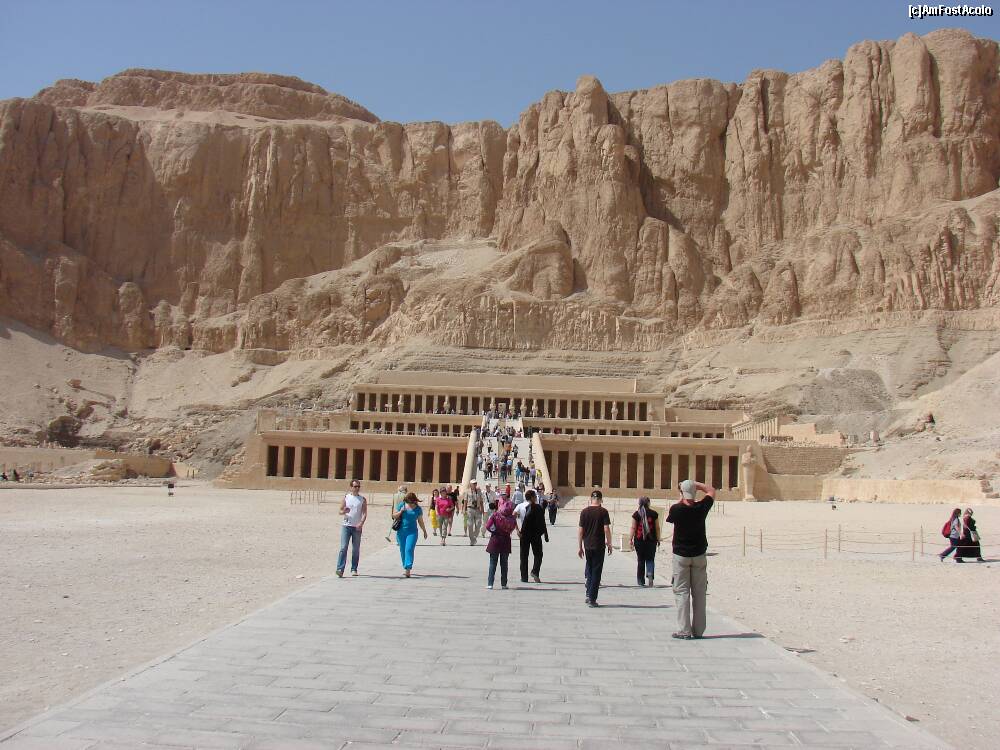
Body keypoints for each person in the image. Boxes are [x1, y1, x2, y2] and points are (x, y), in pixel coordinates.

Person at [667, 479, 716, 639]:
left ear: (682, 493)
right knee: (699, 593)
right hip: (699, 555)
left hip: (681, 556)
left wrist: (683, 493)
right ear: (695, 492)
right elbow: (711, 491)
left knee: (681, 592)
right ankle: (699, 630)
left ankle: (685, 630)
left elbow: (672, 515)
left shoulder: (676, 509)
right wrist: (696, 484)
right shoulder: (702, 507)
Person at [578, 490, 612, 607]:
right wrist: (609, 543)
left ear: (590, 499)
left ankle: (588, 593)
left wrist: (580, 547)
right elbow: (606, 529)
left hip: (587, 545)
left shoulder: (584, 512)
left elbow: (580, 531)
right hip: (599, 545)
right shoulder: (603, 511)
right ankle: (592, 598)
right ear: (601, 500)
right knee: (596, 571)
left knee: (590, 568)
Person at [335, 479, 368, 577]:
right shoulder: (346, 497)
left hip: (357, 527)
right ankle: (340, 569)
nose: (357, 488)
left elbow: (364, 513)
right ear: (351, 487)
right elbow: (340, 511)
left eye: (358, 486)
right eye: (355, 486)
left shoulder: (362, 499)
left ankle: (354, 569)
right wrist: (344, 511)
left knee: (355, 549)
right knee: (343, 547)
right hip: (346, 525)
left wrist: (361, 523)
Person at [392, 492, 428, 577]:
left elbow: (420, 521)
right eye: (408, 502)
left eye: (411, 502)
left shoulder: (418, 509)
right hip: (401, 532)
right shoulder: (402, 505)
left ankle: (408, 568)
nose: (410, 503)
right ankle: (405, 565)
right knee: (402, 549)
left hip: (412, 532)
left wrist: (424, 531)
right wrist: (401, 511)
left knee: (409, 549)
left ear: (414, 500)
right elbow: (394, 516)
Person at [485, 499, 517, 589]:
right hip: (506, 541)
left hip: (495, 540)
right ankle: (504, 584)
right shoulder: (512, 518)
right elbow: (512, 528)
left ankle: (490, 584)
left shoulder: (495, 515)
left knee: (492, 563)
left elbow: (488, 526)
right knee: (504, 563)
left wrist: (494, 531)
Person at [518, 490, 549, 583]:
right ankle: (535, 571)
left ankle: (524, 577)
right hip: (535, 534)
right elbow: (542, 521)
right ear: (531, 497)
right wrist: (545, 534)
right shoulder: (536, 507)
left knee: (524, 555)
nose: (536, 497)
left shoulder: (521, 506)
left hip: (525, 534)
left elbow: (520, 519)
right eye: (535, 496)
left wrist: (520, 532)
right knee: (538, 554)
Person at [630, 496, 660, 586]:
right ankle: (650, 574)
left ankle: (640, 580)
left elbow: (633, 527)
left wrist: (630, 539)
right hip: (651, 540)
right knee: (650, 559)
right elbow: (657, 528)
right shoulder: (654, 513)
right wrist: (658, 539)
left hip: (639, 540)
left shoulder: (636, 514)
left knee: (641, 560)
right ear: (648, 503)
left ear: (639, 503)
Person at [463, 479, 485, 546]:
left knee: (478, 524)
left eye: (475, 483)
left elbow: (481, 501)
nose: (475, 485)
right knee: (470, 524)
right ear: (470, 485)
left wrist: (482, 509)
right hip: (470, 509)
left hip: (477, 509)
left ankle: (474, 536)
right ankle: (472, 539)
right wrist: (464, 509)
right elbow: (465, 501)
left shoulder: (479, 491)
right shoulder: (467, 491)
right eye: (473, 484)